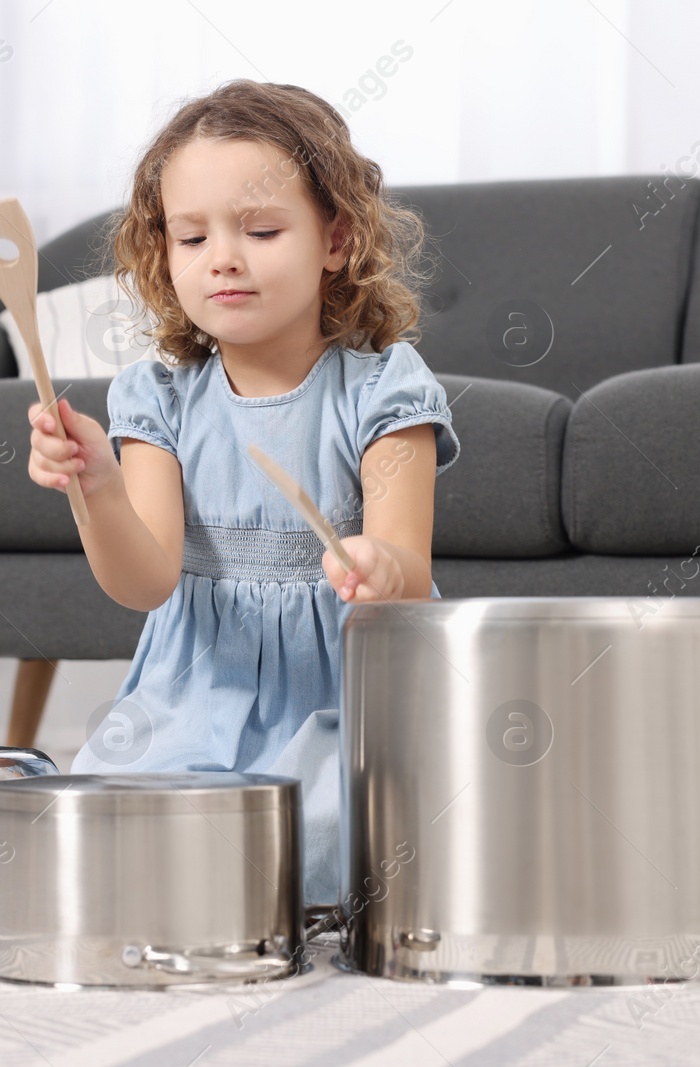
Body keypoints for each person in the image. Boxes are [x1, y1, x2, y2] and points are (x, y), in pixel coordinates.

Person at [24, 79, 460, 907]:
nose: (222, 255)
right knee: (111, 818)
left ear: (335, 240)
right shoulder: (156, 398)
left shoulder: (385, 390)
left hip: (347, 695)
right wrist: (97, 487)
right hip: (195, 690)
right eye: (191, 238)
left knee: (330, 836)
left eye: (260, 229)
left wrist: (378, 567)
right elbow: (144, 581)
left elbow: (408, 559)